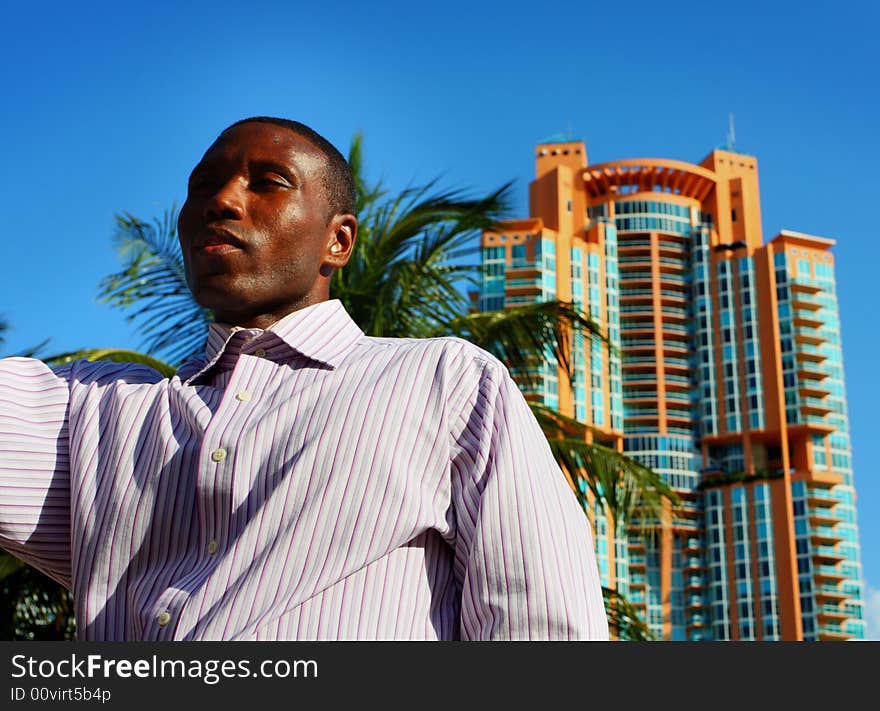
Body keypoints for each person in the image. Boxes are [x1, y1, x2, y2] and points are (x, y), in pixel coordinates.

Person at [0, 117, 609, 640]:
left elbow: (545, 621)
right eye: (204, 186)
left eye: (268, 183)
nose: (223, 201)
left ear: (338, 241)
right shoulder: (95, 412)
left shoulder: (446, 383)